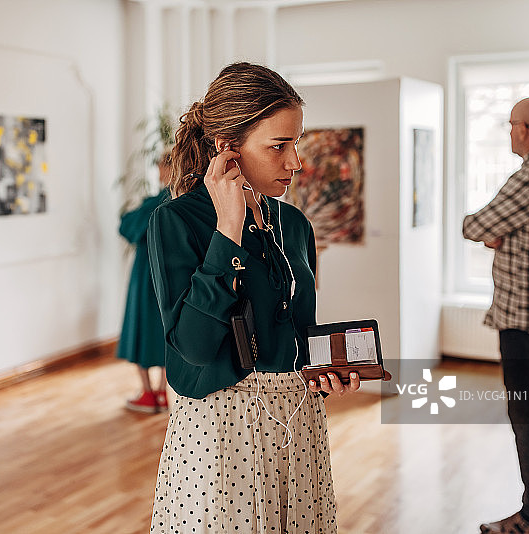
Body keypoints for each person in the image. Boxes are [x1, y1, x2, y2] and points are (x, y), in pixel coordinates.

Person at [146, 62, 360, 533]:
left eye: (296, 142)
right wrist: (229, 228)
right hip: (221, 432)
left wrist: (321, 372)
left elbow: (296, 333)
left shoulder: (296, 225)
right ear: (228, 148)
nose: (295, 161)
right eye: (278, 145)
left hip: (299, 424)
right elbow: (195, 347)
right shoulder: (178, 222)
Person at [463, 96, 529, 534]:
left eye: (513, 125)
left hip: (523, 325)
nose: (511, 132)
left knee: (527, 420)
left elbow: (473, 226)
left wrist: (492, 231)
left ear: (527, 130)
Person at [116, 154, 172, 413]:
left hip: (147, 273)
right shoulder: (187, 200)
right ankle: (162, 392)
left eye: (161, 165)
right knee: (164, 327)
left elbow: (128, 226)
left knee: (140, 327)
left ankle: (148, 393)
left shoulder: (158, 202)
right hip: (171, 275)